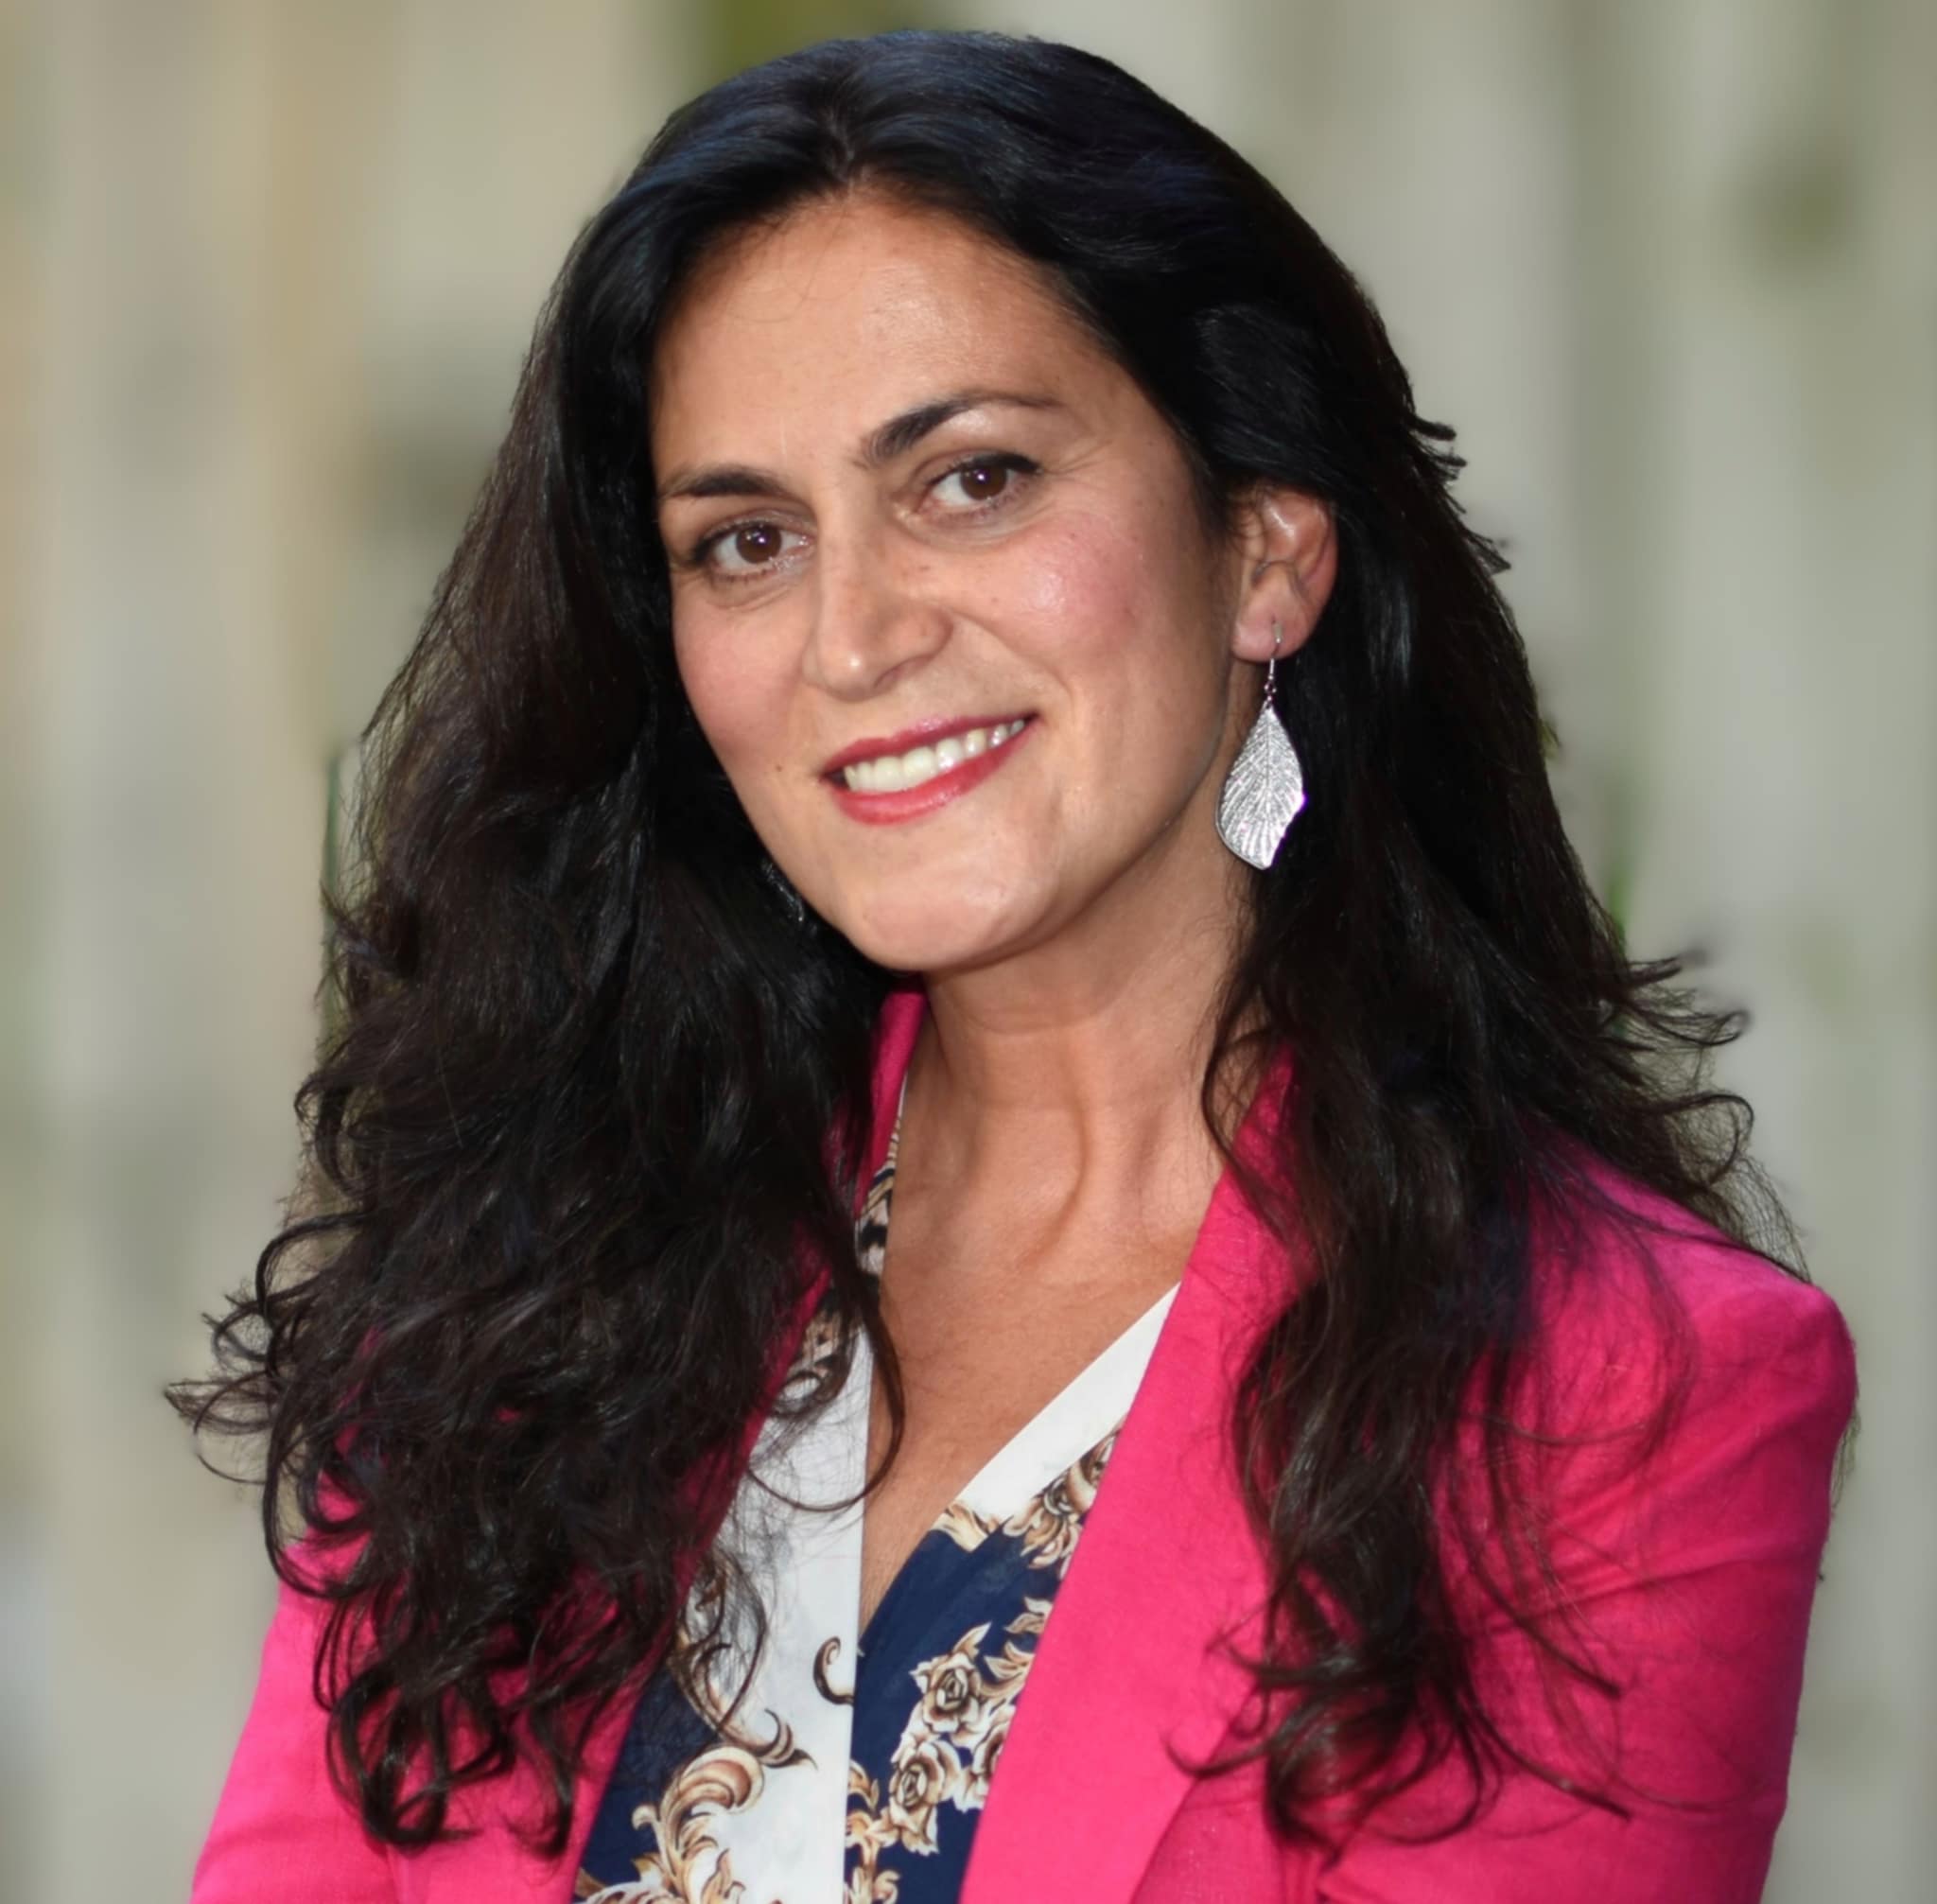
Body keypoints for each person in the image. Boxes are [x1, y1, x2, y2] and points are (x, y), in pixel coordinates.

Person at [178, 28, 1857, 1904]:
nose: (853, 637)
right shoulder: (523, 1292)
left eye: (971, 479)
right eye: (746, 540)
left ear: (1266, 548)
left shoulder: (1614, 1398)